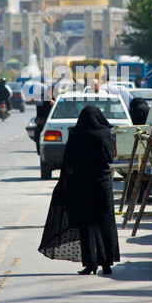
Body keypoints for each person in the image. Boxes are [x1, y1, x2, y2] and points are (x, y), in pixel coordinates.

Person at [38, 105, 120, 275]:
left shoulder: (76, 134)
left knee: (86, 224)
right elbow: (110, 158)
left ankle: (90, 263)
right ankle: (106, 263)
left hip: (81, 184)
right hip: (102, 184)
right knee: (104, 222)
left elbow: (68, 162)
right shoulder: (106, 134)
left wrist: (64, 187)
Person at [34, 85, 55, 154]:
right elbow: (39, 115)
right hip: (43, 123)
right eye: (50, 92)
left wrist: (54, 104)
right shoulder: (42, 102)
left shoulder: (58, 100)